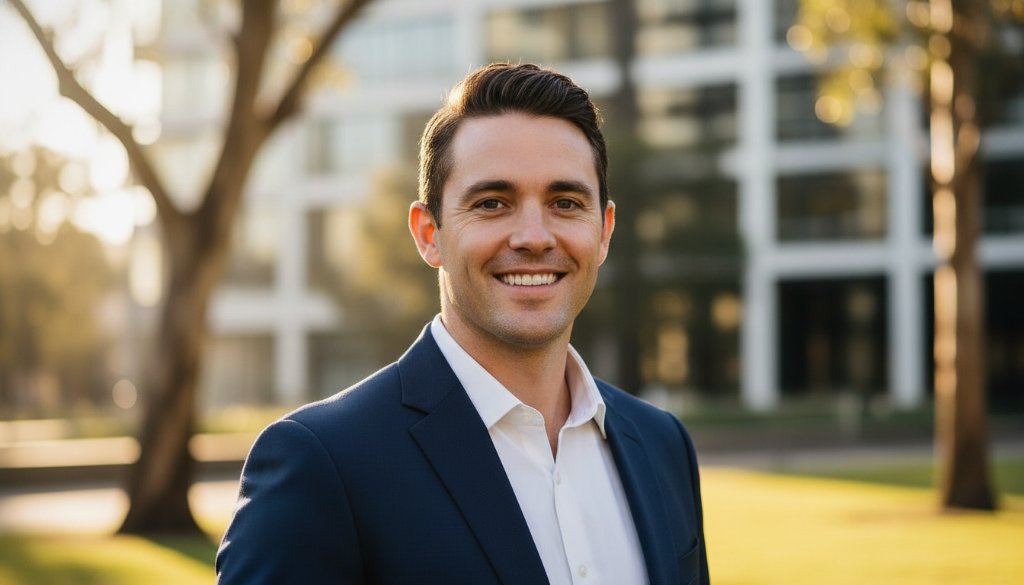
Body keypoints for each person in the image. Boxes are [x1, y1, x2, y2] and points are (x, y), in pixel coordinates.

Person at [216, 62, 709, 585]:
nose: (534, 236)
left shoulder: (662, 444)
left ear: (604, 231)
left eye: (565, 202)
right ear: (429, 233)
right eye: (492, 203)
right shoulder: (323, 463)